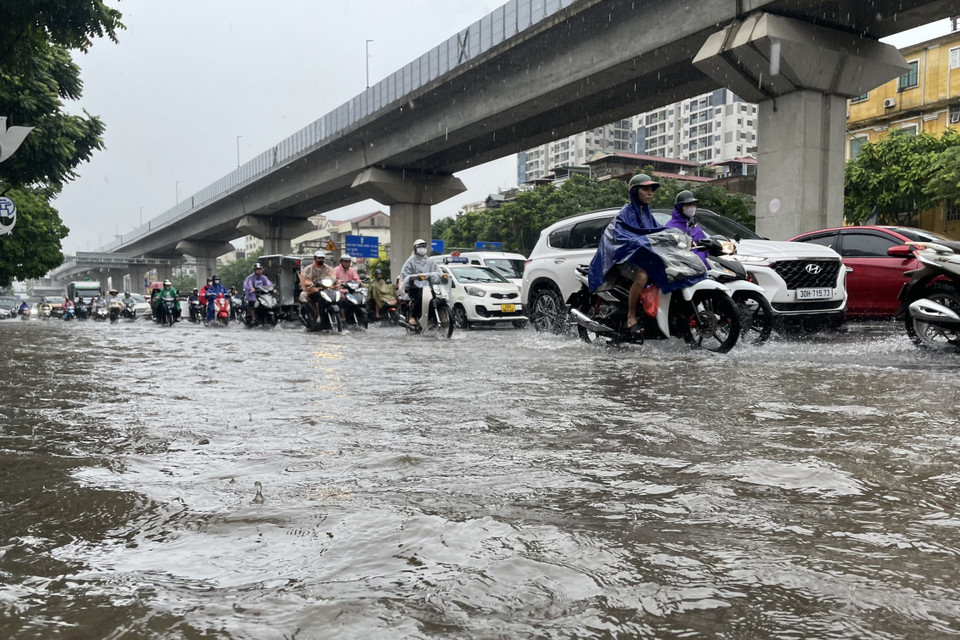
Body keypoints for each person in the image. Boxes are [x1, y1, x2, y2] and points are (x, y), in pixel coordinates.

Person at [587, 173, 663, 334]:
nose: (650, 193)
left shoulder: (647, 212)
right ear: (635, 191)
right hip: (622, 258)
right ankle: (631, 316)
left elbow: (656, 231)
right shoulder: (625, 212)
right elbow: (620, 235)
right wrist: (636, 241)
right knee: (642, 275)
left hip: (640, 256)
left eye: (652, 190)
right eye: (645, 189)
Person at [400, 238, 442, 327]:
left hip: (428, 286)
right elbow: (404, 274)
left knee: (437, 298)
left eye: (424, 247)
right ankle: (413, 317)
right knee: (419, 297)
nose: (422, 249)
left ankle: (432, 318)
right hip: (414, 287)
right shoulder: (410, 261)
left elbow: (437, 270)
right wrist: (412, 278)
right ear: (415, 248)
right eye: (420, 247)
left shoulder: (430, 261)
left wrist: (443, 275)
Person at [664, 190, 710, 267]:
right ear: (680, 207)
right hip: (686, 269)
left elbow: (706, 244)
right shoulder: (671, 227)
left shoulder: (693, 225)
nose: (692, 207)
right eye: (689, 204)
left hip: (705, 268)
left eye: (694, 204)